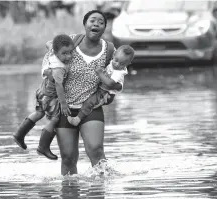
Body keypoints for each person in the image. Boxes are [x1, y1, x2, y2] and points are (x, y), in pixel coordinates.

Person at [42, 10, 124, 175]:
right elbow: (48, 60)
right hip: (64, 108)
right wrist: (50, 74)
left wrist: (112, 90)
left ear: (104, 29)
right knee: (68, 157)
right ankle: (70, 194)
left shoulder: (109, 49)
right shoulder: (70, 41)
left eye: (100, 22)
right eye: (92, 21)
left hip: (91, 108)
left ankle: (101, 193)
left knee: (96, 149)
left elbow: (119, 73)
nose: (96, 24)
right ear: (85, 24)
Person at [13, 34, 73, 160]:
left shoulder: (52, 50)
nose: (68, 57)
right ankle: (43, 146)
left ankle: (19, 134)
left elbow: (48, 43)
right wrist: (63, 104)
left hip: (41, 91)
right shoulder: (58, 68)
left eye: (70, 52)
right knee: (56, 118)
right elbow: (59, 86)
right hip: (50, 96)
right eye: (64, 53)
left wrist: (53, 45)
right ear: (56, 52)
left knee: (39, 113)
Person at [67, 45, 135, 126]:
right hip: (102, 89)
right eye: (116, 60)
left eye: (122, 64)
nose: (117, 64)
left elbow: (109, 83)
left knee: (89, 102)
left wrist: (100, 73)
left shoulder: (119, 72)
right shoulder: (111, 62)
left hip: (106, 93)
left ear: (128, 63)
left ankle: (77, 119)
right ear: (114, 55)